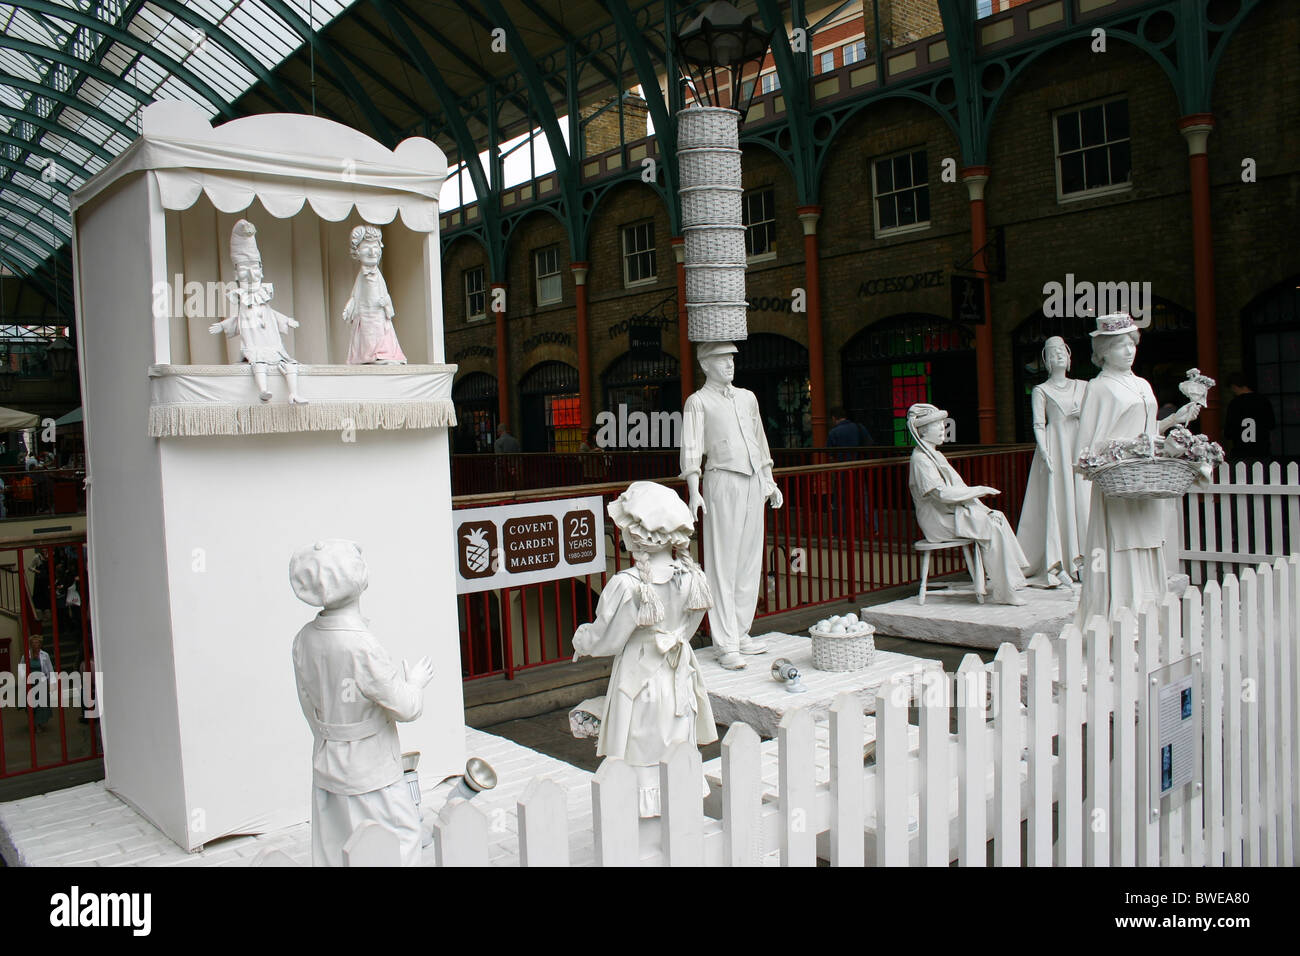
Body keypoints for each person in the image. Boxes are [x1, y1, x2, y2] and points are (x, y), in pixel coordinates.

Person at [571, 482, 716, 818]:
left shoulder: (627, 585)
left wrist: (582, 641)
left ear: (638, 535)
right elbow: (687, 631)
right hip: (679, 678)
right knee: (675, 751)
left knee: (638, 756)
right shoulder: (695, 578)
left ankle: (639, 834)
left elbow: (608, 639)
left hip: (639, 682)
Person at [289, 539, 435, 867]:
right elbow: (407, 707)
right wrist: (415, 682)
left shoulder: (303, 639)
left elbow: (308, 704)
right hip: (372, 767)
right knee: (401, 837)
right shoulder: (361, 646)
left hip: (327, 760)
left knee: (335, 846)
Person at [1073, 313, 1201, 627]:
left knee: (1150, 545)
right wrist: (1121, 452)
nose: (1128, 351)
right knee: (1122, 551)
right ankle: (1119, 621)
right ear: (1103, 351)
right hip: (1119, 484)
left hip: (1147, 479)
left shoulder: (1142, 383)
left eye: (1131, 343)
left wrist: (1173, 422)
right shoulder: (1099, 387)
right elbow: (1085, 447)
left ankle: (1151, 618)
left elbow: (1145, 431)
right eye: (1119, 345)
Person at [681, 341, 783, 670]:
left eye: (731, 358)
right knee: (723, 563)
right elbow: (692, 448)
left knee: (749, 560)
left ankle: (741, 632)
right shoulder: (697, 402)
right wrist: (694, 490)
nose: (729, 364)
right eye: (721, 358)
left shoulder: (747, 397)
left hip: (753, 480)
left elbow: (759, 439)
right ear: (705, 364)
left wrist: (769, 480)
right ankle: (725, 643)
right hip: (722, 481)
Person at [908, 402, 1029, 605]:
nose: (942, 429)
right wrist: (979, 490)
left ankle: (1010, 582)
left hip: (949, 513)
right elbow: (941, 494)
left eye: (942, 425)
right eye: (937, 426)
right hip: (939, 520)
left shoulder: (934, 454)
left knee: (996, 517)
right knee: (990, 526)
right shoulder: (921, 459)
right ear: (923, 432)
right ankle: (1004, 589)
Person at [1016, 336, 1090, 586]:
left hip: (1079, 446)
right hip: (1055, 445)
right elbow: (1038, 423)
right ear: (1046, 360)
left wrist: (1085, 414)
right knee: (1060, 499)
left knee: (1083, 499)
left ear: (1069, 357)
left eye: (1062, 351)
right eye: (1052, 352)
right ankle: (1061, 561)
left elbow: (1097, 416)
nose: (1058, 355)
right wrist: (1045, 452)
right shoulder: (1041, 390)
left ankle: (1087, 559)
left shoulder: (1084, 386)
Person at [209, 219, 308, 405]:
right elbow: (238, 320)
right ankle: (263, 390)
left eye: (255, 269)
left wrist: (287, 321)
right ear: (237, 274)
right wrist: (222, 325)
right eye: (245, 270)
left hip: (273, 344)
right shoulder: (244, 304)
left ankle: (293, 393)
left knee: (290, 364)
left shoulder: (264, 301)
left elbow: (272, 315)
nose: (251, 275)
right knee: (259, 364)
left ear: (261, 270)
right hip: (255, 344)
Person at [342, 224, 407, 365]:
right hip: (365, 315)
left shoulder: (377, 275)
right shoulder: (362, 276)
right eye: (366, 247)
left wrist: (386, 304)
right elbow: (355, 295)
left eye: (375, 247)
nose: (372, 252)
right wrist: (349, 307)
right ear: (357, 251)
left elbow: (385, 295)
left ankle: (382, 353)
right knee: (366, 334)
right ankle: (367, 355)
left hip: (378, 315)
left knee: (380, 331)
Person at [1222, 372, 1275, 465]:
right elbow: (1271, 425)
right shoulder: (1263, 401)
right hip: (1262, 452)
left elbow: (1228, 433)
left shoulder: (1234, 404)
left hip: (1240, 452)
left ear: (1234, 387)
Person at [25, 634, 54, 733]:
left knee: (41, 705)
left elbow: (50, 670)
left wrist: (51, 683)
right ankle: (36, 723)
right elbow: (21, 670)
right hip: (30, 684)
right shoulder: (26, 655)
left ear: (40, 644)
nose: (35, 645)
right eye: (33, 643)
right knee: (33, 705)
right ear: (31, 644)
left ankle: (39, 723)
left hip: (42, 683)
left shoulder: (45, 655)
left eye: (37, 642)